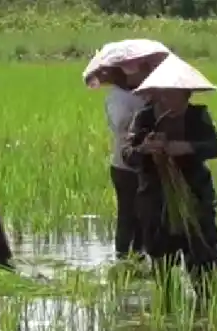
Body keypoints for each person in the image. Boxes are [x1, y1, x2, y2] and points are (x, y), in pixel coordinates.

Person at [120, 54, 217, 309]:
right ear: (156, 93)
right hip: (156, 201)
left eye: (176, 94)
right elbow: (128, 155)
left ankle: (206, 311)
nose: (169, 99)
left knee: (203, 259)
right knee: (162, 262)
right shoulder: (144, 119)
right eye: (164, 93)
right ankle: (165, 311)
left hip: (194, 196)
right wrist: (146, 149)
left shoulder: (198, 117)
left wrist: (185, 147)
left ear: (187, 94)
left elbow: (214, 147)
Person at [83, 39, 171, 261]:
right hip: (125, 164)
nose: (141, 74)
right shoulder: (118, 97)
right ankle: (124, 259)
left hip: (148, 163)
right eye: (138, 70)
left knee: (147, 216)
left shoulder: (149, 92)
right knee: (128, 216)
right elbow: (121, 126)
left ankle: (141, 257)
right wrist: (145, 114)